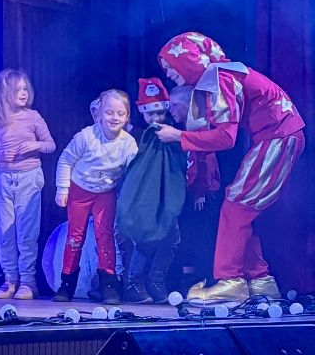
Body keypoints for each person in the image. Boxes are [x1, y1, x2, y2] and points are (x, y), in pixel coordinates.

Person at [155, 31, 305, 304]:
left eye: (171, 65)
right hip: (277, 136)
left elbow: (226, 138)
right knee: (241, 206)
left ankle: (230, 280)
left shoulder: (219, 77)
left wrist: (178, 136)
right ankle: (259, 279)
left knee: (236, 205)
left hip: (278, 136)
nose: (169, 73)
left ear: (187, 59)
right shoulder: (222, 75)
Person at [54, 89, 138, 304]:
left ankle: (108, 284)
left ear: (127, 117)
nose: (114, 117)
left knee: (105, 235)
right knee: (75, 237)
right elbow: (65, 160)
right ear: (99, 114)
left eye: (120, 113)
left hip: (105, 193)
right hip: (79, 190)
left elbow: (132, 173)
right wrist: (62, 189)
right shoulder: (86, 136)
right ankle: (66, 284)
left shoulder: (129, 144)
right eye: (109, 112)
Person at [0, 69, 56, 299]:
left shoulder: (33, 117)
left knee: (27, 232)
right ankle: (9, 279)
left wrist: (35, 145)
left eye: (25, 88)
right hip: (4, 178)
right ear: (4, 93)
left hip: (29, 177)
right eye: (18, 90)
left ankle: (28, 281)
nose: (23, 93)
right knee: (5, 231)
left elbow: (50, 145)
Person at [117, 78, 186, 305]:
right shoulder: (136, 136)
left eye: (160, 113)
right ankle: (134, 282)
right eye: (150, 114)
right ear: (142, 113)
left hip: (167, 194)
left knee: (171, 237)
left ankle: (156, 280)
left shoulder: (172, 133)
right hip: (144, 195)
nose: (156, 118)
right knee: (146, 236)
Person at [168, 84, 222, 293]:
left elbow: (207, 163)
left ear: (187, 105)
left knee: (202, 237)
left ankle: (205, 279)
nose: (171, 110)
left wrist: (201, 193)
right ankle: (184, 280)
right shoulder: (185, 130)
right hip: (190, 193)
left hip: (203, 194)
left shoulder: (201, 130)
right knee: (187, 236)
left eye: (175, 105)